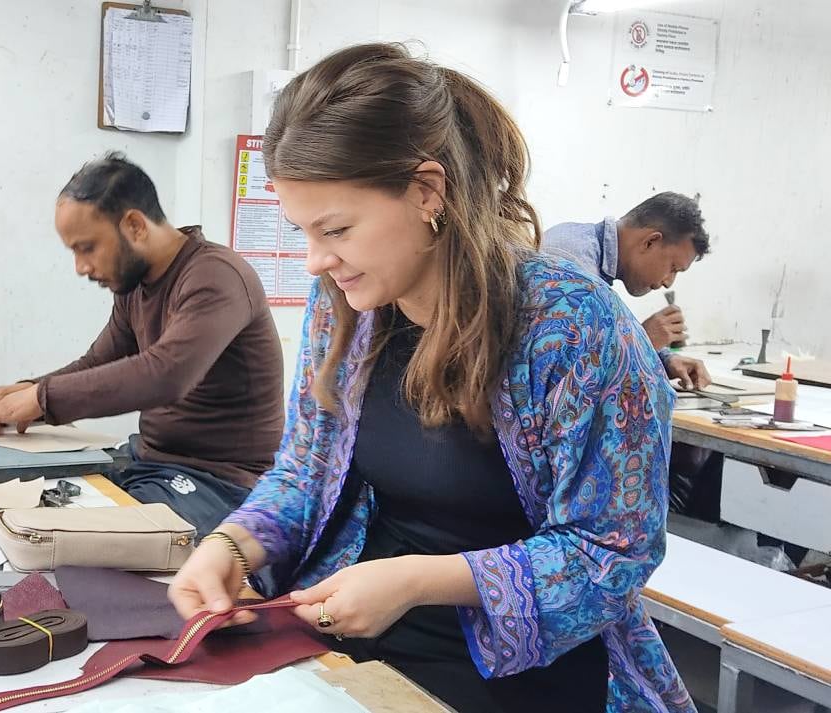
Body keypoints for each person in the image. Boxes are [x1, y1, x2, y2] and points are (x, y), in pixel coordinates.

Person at [169, 44, 695, 713]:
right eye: (302, 231)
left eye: (335, 229)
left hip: (522, 671)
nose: (313, 260)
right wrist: (232, 543)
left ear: (427, 191)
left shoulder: (571, 325)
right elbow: (305, 472)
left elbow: (613, 553)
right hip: (357, 633)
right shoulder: (347, 313)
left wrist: (420, 580)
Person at [0, 153, 284, 534]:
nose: (81, 268)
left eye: (87, 248)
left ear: (134, 225)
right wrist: (27, 389)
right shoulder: (135, 285)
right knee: (23, 507)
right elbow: (97, 362)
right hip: (148, 459)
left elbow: (165, 374)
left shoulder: (216, 276)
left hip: (220, 482)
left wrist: (42, 399)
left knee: (80, 542)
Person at [542, 193, 713, 390]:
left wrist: (665, 360)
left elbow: (603, 337)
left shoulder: (588, 251)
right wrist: (643, 342)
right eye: (673, 268)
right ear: (650, 242)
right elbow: (567, 378)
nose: (668, 282)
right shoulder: (575, 267)